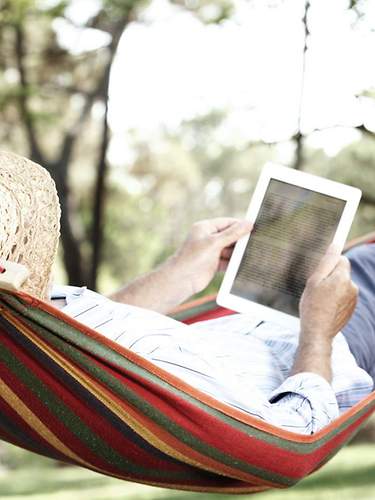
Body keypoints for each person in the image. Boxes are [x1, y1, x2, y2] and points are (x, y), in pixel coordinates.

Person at [0, 151, 374, 436]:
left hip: (266, 322)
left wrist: (179, 272)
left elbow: (91, 337)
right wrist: (319, 332)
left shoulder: (34, 326)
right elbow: (298, 428)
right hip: (332, 348)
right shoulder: (30, 342)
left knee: (360, 259)